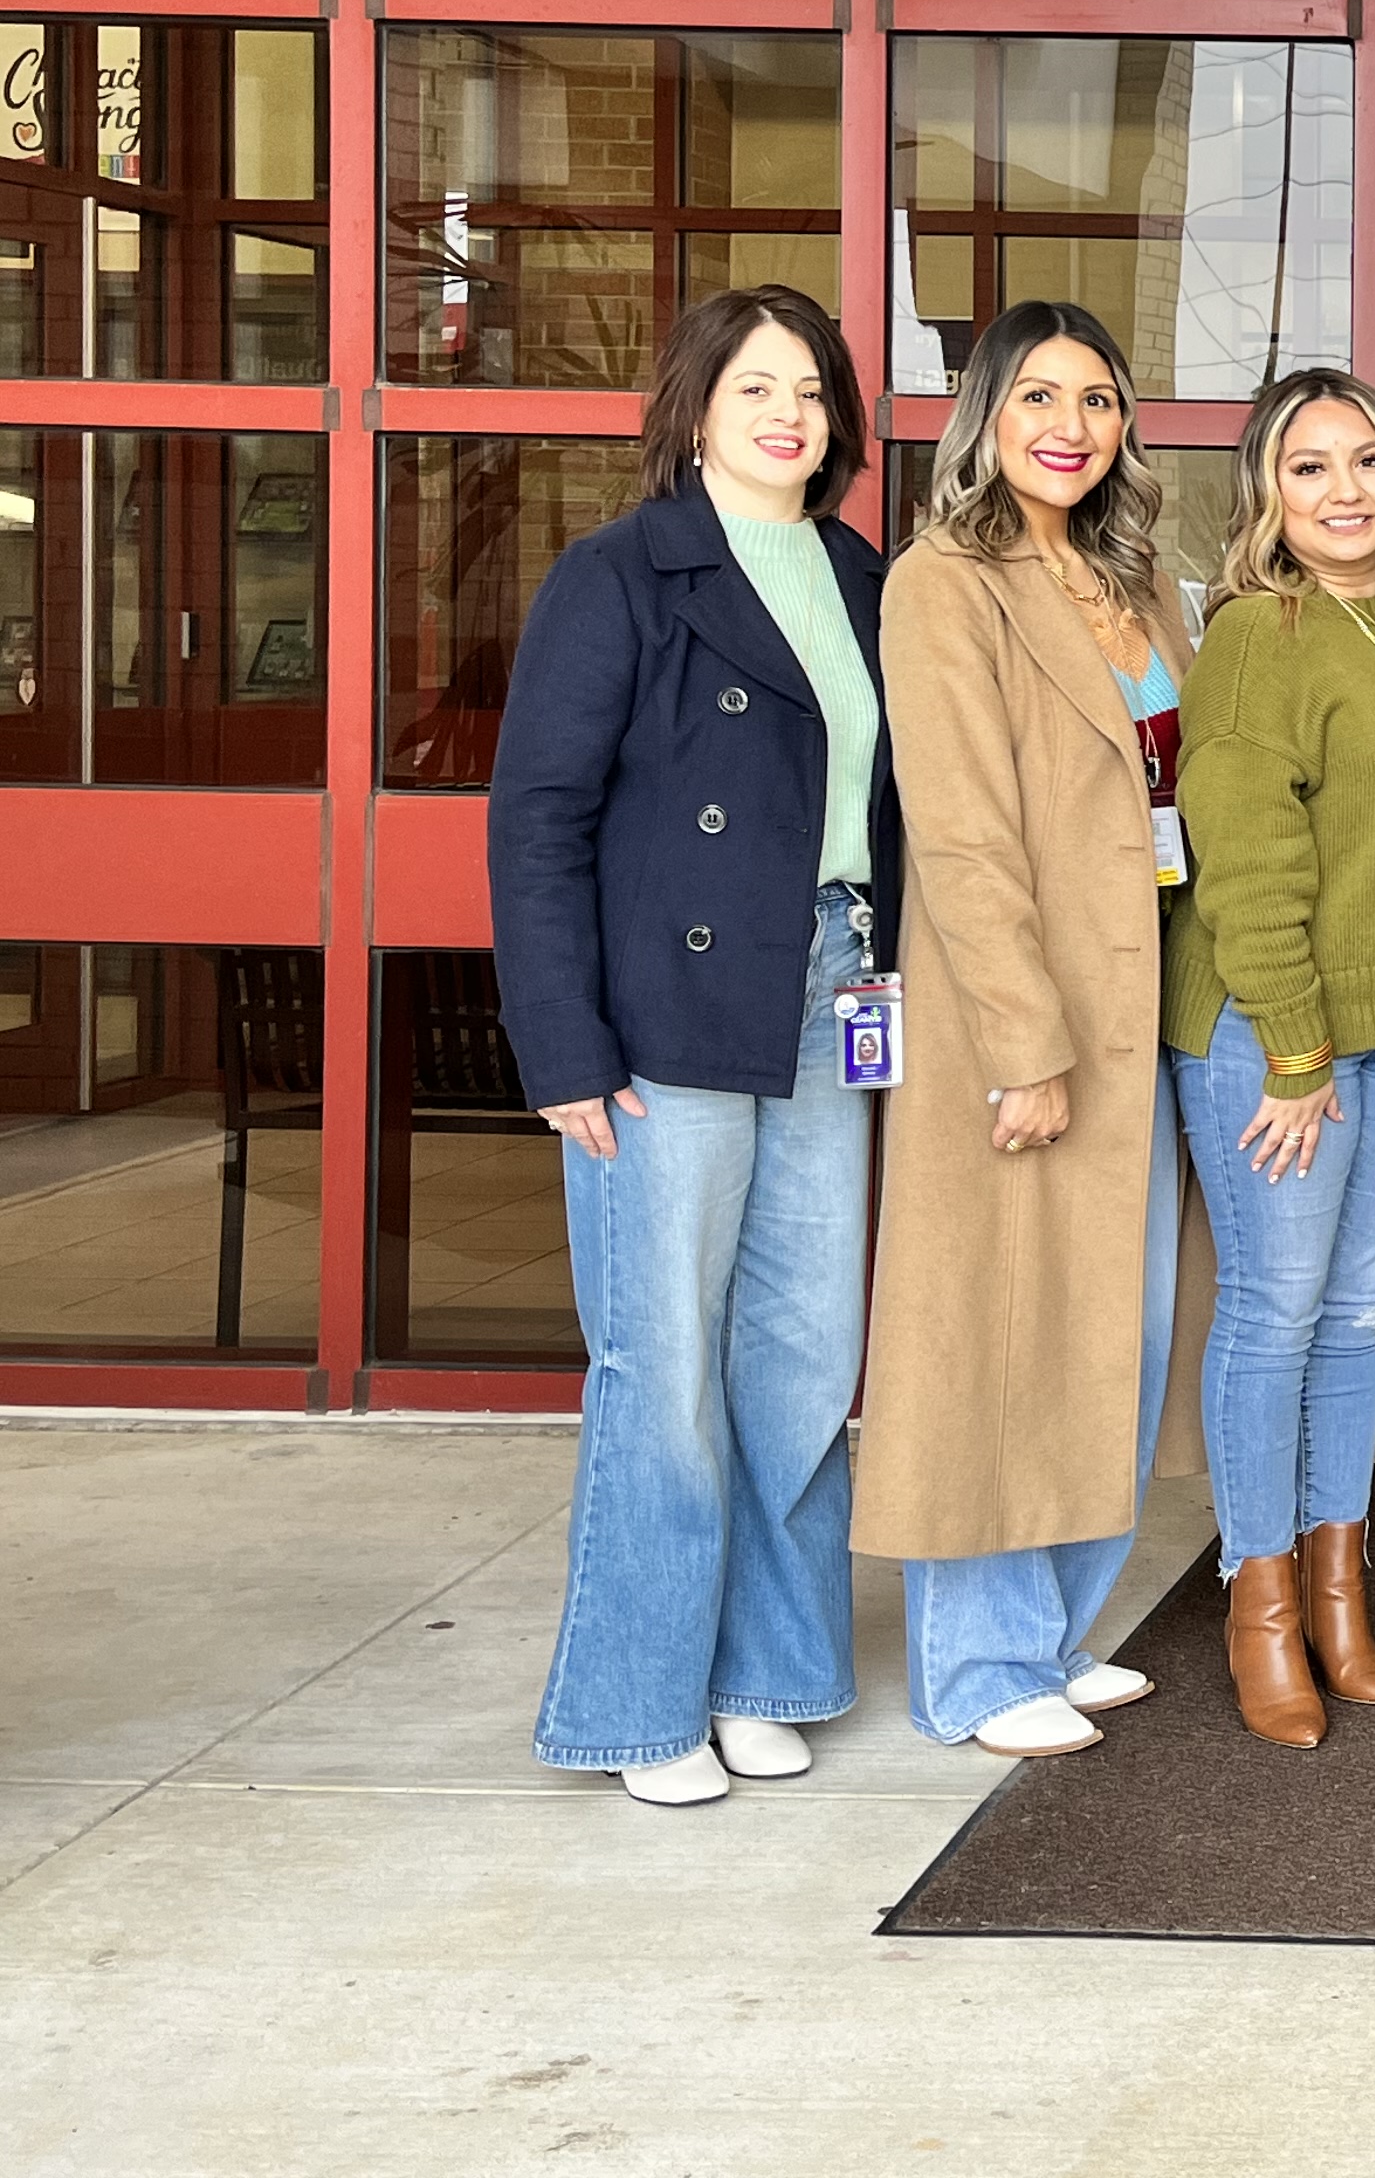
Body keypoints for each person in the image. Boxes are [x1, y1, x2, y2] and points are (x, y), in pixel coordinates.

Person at [490, 285, 895, 1807]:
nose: (788, 413)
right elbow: (538, 821)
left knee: (801, 1356)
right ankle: (641, 1701)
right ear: (698, 411)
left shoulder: (860, 576)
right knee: (660, 1364)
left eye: (810, 390)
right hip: (666, 1008)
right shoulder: (622, 575)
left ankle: (764, 1673)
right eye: (755, 389)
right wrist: (564, 1048)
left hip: (832, 975)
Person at [854, 300, 1202, 1761]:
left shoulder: (1148, 585)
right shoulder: (946, 583)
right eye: (1039, 396)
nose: (1071, 425)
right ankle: (980, 1665)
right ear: (986, 415)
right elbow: (964, 836)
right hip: (1034, 1019)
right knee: (1000, 1333)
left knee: (1114, 1332)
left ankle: (1055, 1628)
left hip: (1151, 1006)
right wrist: (1019, 1042)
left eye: (1100, 400)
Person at [1163, 370, 1375, 1748]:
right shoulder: (1261, 633)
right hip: (1272, 1030)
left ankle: (1343, 1595)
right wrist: (1295, 1050)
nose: (1345, 491)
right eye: (1309, 469)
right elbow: (1245, 853)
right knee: (1276, 1319)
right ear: (1266, 499)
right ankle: (1263, 1605)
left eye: (1367, 463)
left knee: (1356, 1320)